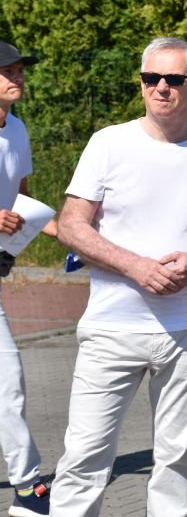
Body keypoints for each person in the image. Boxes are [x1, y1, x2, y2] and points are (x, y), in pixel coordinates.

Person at [51, 37, 187, 517]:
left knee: (177, 460)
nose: (161, 87)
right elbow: (71, 225)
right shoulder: (108, 143)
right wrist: (135, 266)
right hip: (112, 326)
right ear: (141, 83)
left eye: (174, 79)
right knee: (84, 457)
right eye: (151, 78)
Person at [0, 40, 57, 517]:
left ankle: (26, 486)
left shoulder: (17, 129)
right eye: (7, 70)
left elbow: (23, 200)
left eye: (19, 69)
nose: (16, 76)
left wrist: (83, 240)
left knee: (8, 379)